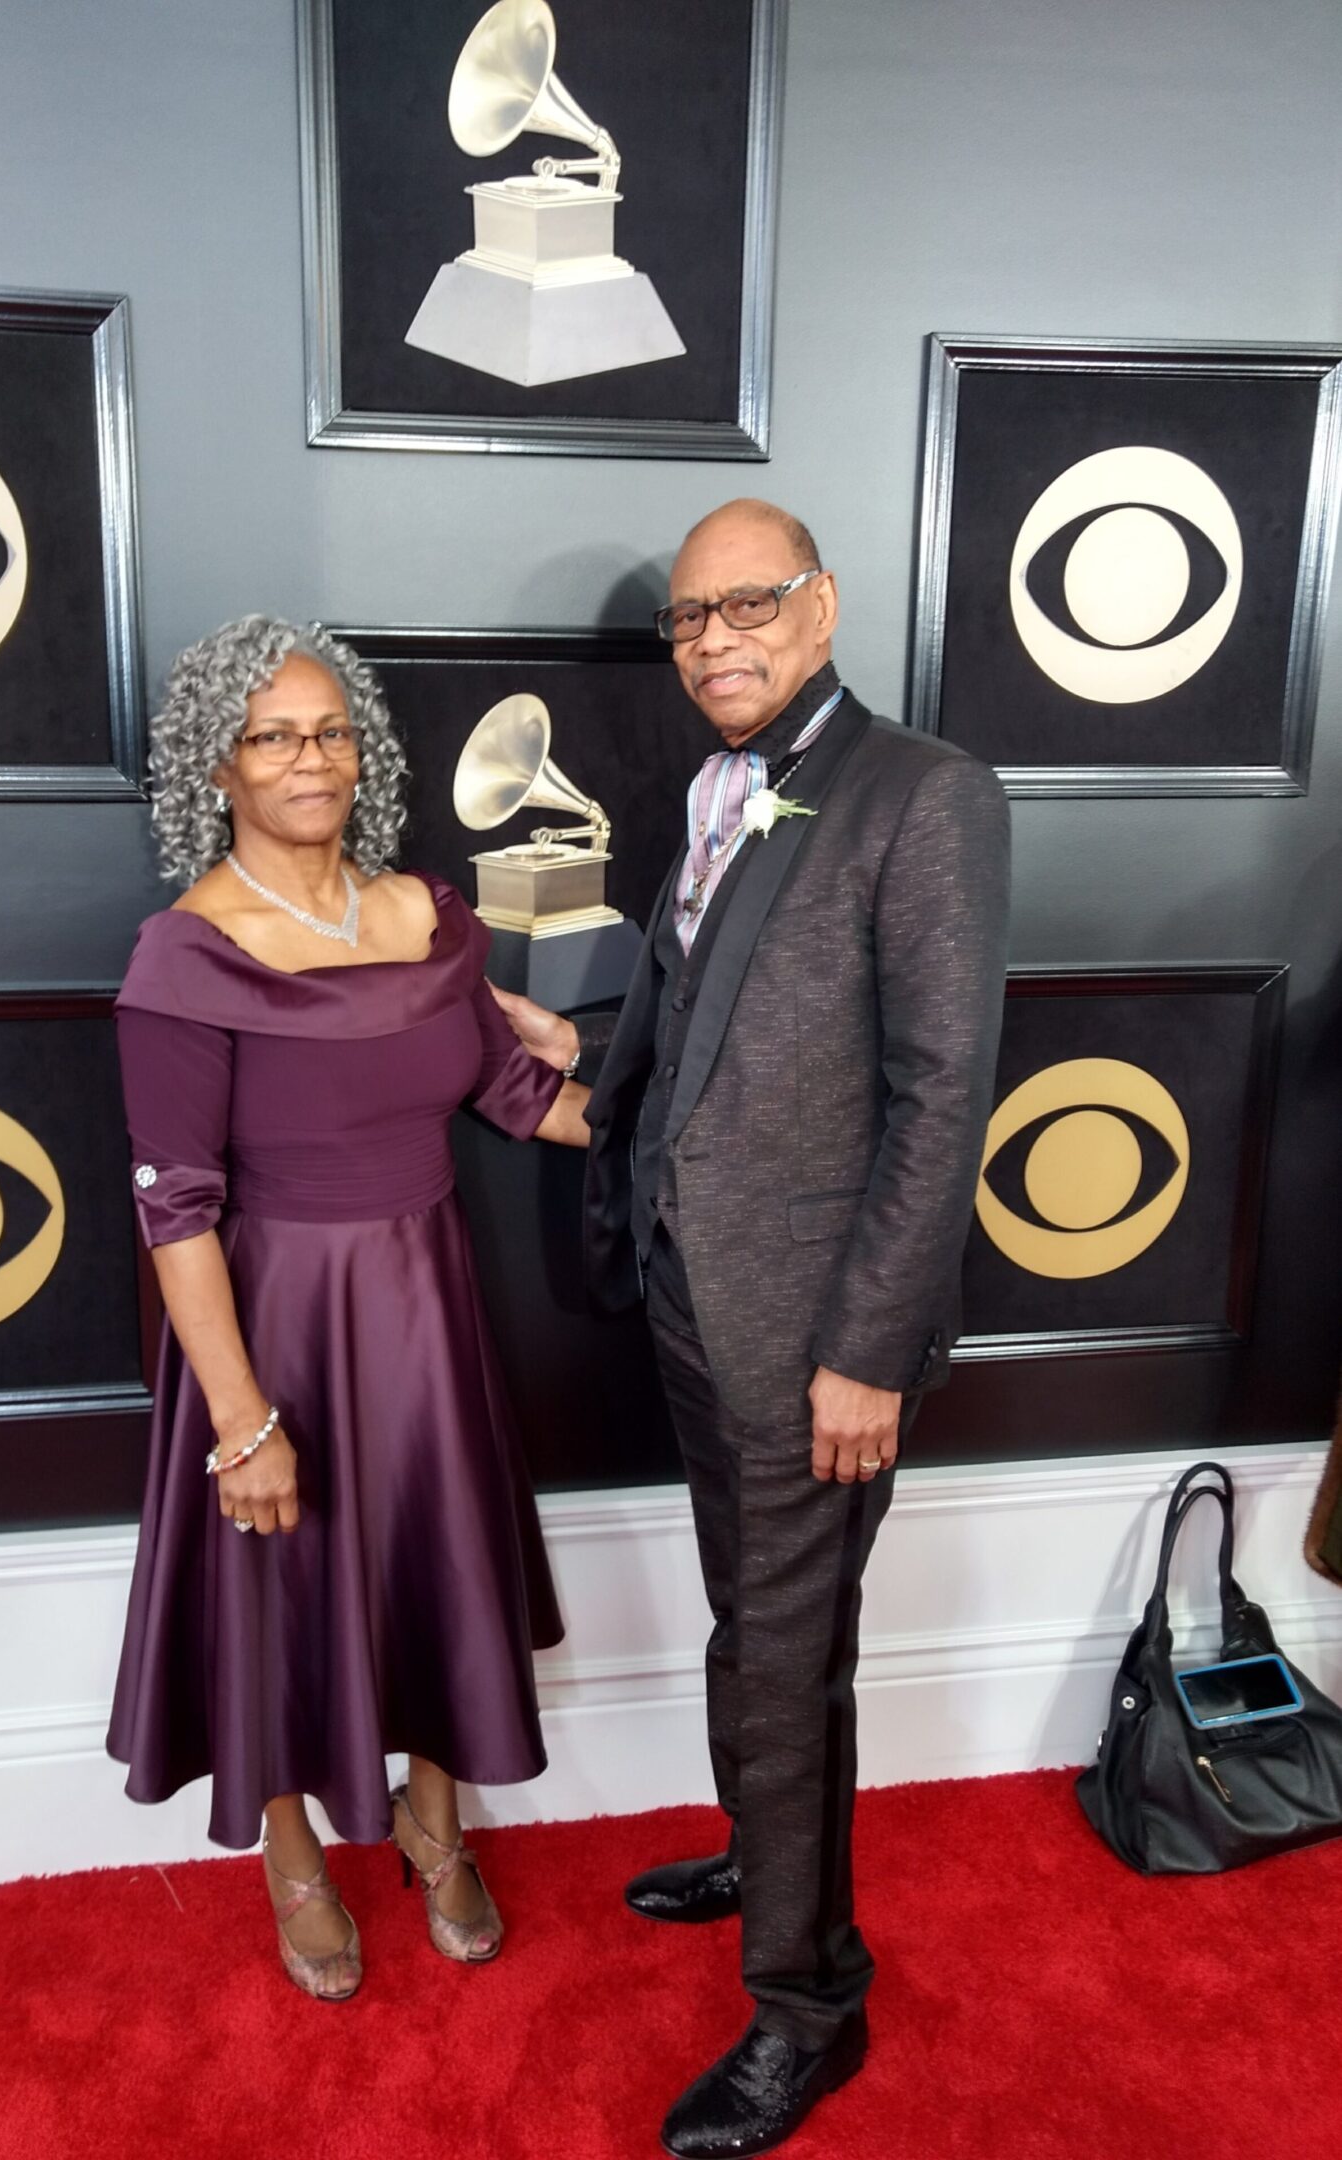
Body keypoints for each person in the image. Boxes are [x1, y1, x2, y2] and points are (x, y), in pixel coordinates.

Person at [495, 499, 1011, 2156]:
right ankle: (765, 1845)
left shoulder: (925, 794)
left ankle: (810, 2004)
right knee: (763, 1630)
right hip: (696, 1297)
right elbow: (702, 1023)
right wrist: (553, 1043)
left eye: (751, 606)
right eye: (691, 620)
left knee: (783, 1652)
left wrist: (867, 1348)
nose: (716, 639)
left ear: (824, 605)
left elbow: (943, 1102)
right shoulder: (725, 789)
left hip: (817, 1339)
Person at [106, 616, 590, 2002]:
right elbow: (175, 1209)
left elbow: (519, 1097)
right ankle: (293, 1854)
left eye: (328, 730)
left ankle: (438, 1826)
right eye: (270, 736)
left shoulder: (431, 916)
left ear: (359, 750)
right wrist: (245, 1424)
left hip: (428, 1315)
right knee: (279, 1587)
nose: (306, 757)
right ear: (220, 770)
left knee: (438, 1565)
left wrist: (690, 1126)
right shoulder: (183, 958)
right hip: (273, 1330)